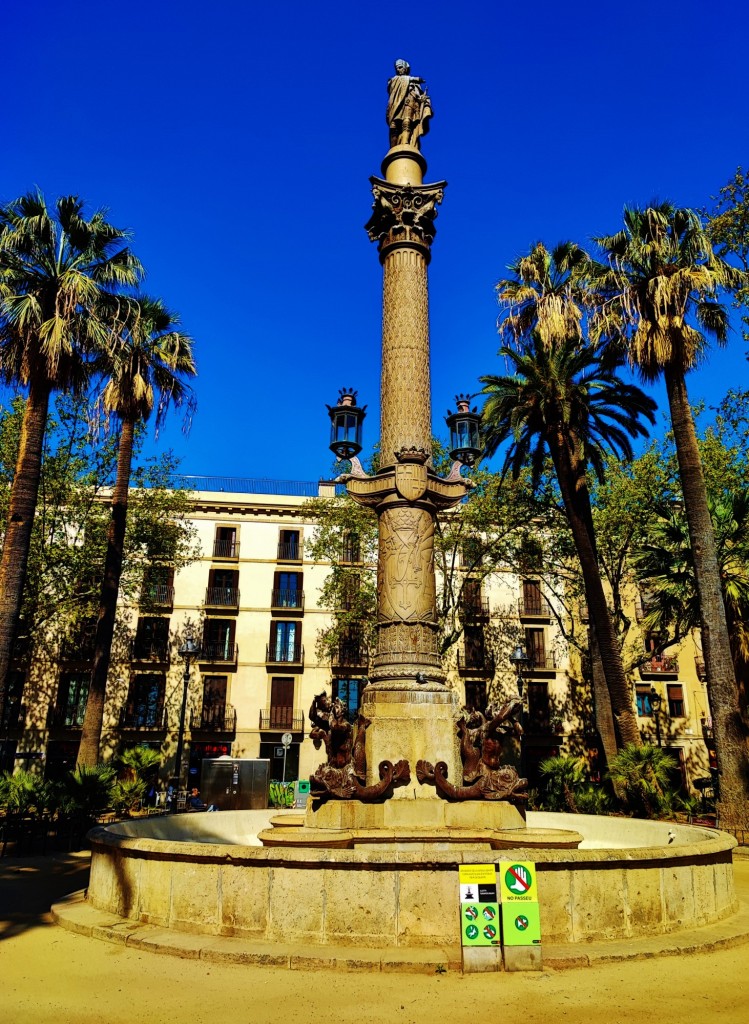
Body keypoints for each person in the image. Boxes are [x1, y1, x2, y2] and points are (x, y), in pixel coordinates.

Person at [386, 59, 432, 149]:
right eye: (397, 68)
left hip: (409, 104)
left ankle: (406, 144)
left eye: (400, 67)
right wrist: (414, 79)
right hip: (396, 106)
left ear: (405, 68)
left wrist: (422, 99)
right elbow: (393, 85)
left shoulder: (415, 84)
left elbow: (417, 96)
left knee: (407, 123)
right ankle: (393, 148)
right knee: (393, 127)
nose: (398, 70)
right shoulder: (394, 80)